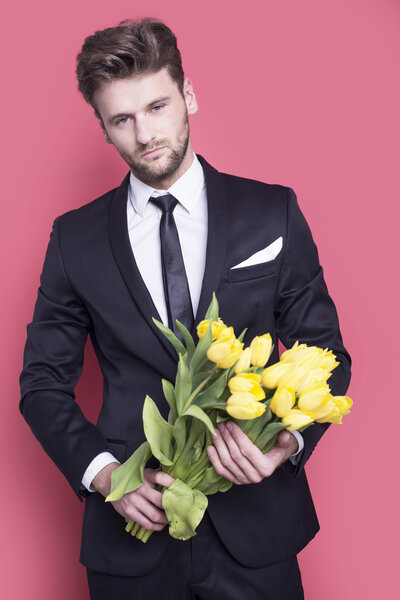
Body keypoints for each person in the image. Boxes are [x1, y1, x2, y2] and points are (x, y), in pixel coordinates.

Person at [19, 17, 351, 600]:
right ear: (103, 129)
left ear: (188, 95)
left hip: (257, 530)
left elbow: (323, 351)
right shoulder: (74, 238)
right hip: (132, 534)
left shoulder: (271, 213)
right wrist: (105, 477)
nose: (145, 133)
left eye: (157, 106)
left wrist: (284, 443)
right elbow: (42, 383)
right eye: (122, 119)